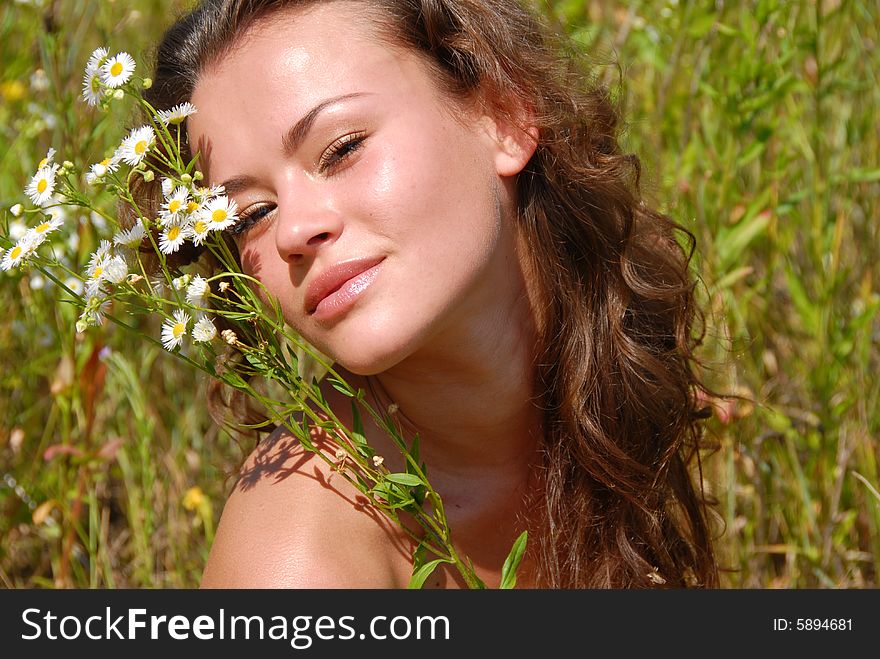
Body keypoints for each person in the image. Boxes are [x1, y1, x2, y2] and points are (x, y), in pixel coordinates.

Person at [140, 0, 719, 588]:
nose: (293, 231)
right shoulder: (296, 571)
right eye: (251, 215)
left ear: (504, 113)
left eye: (341, 149)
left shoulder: (626, 370)